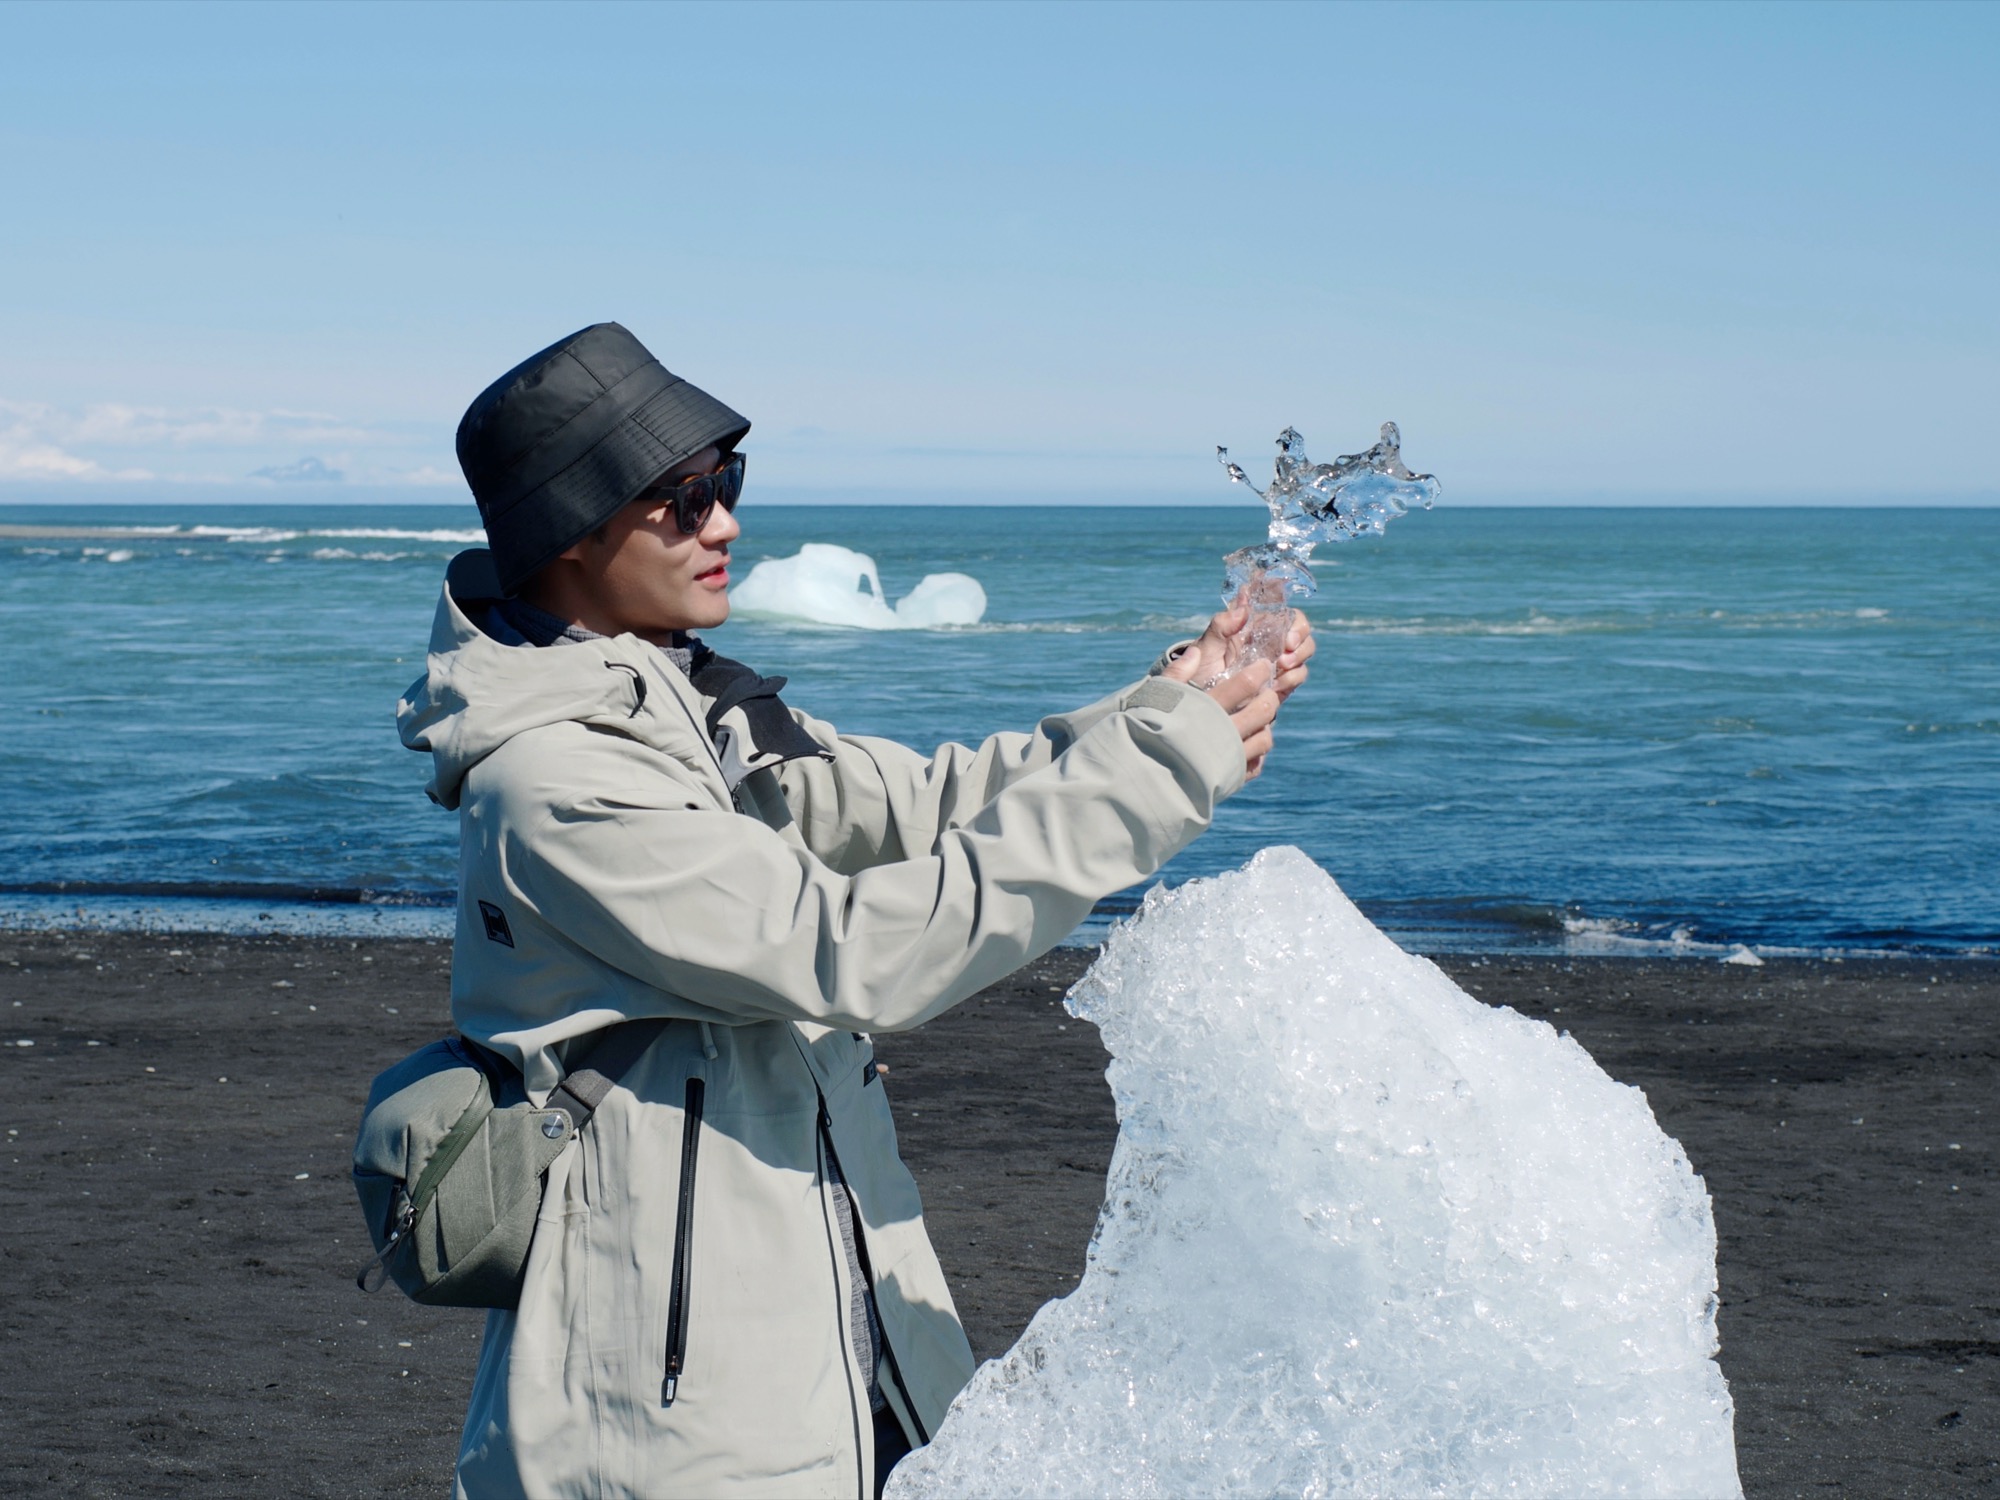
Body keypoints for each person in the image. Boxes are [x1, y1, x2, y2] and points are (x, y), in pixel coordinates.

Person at [398, 323, 1313, 1499]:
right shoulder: (560, 785)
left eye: (724, 484)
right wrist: (1155, 774)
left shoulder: (684, 712)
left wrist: (1159, 708)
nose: (723, 523)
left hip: (834, 1355)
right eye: (679, 500)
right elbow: (863, 949)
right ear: (571, 531)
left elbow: (917, 803)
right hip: (674, 1421)